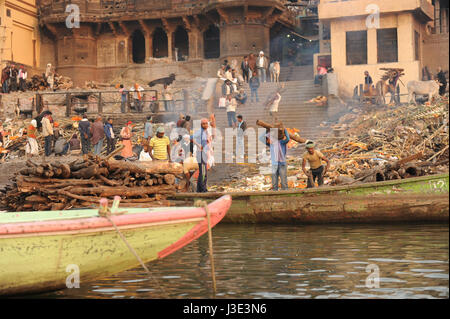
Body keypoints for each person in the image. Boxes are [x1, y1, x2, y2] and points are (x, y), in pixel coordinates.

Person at [193, 118, 213, 193]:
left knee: (203, 172)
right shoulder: (200, 132)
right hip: (200, 153)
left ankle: (199, 189)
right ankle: (203, 189)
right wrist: (199, 145)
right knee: (203, 172)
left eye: (206, 123)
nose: (205, 125)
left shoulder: (206, 132)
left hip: (205, 153)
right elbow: (192, 138)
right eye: (203, 123)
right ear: (201, 125)